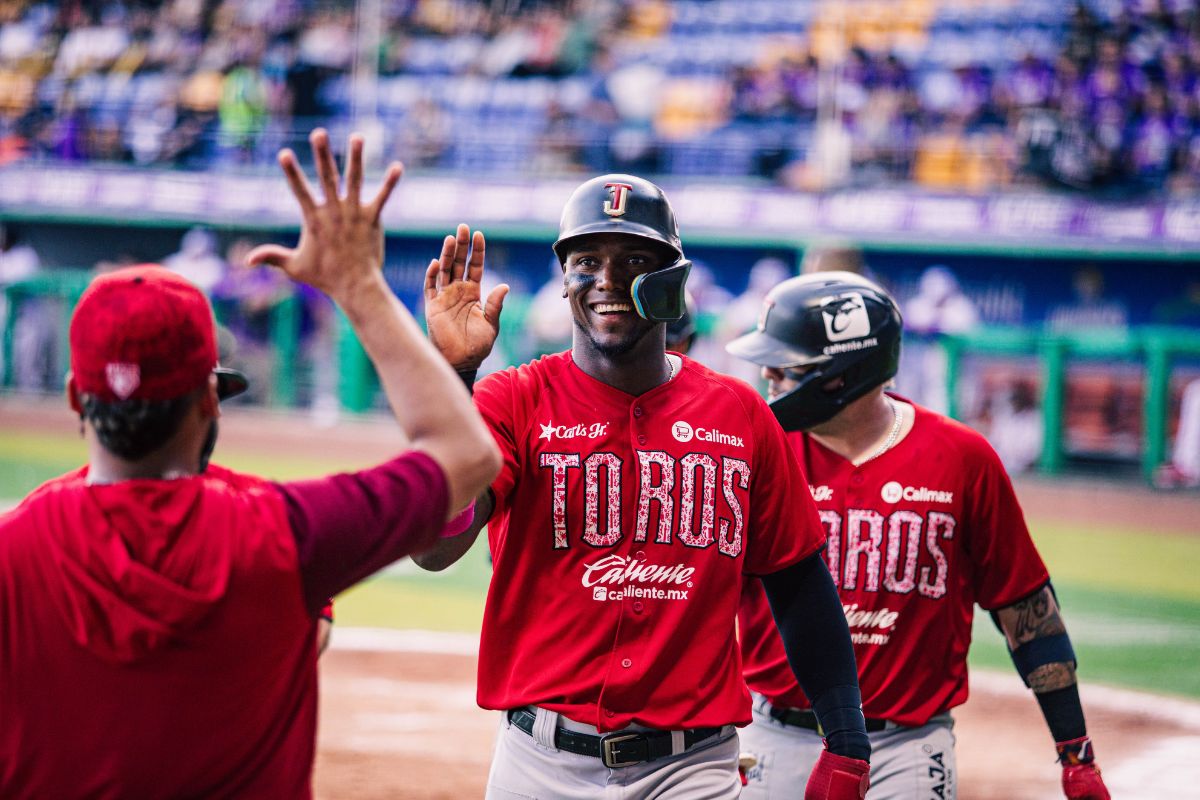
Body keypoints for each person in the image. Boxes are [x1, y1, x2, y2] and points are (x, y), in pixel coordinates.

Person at [0, 129, 500, 798]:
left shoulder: (14, 546)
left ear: (73, 399)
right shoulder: (284, 531)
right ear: (210, 399)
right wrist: (358, 286)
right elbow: (466, 455)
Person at [414, 175, 871, 799]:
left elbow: (797, 581)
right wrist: (456, 377)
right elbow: (435, 546)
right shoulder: (511, 401)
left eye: (633, 260)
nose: (605, 278)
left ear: (671, 281)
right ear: (565, 280)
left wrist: (847, 742)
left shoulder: (739, 414)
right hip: (538, 764)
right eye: (585, 261)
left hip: (692, 767)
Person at [726, 271, 1111, 800]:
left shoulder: (962, 458)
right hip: (779, 736)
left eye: (788, 362)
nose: (767, 372)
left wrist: (1076, 751)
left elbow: (1027, 611)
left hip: (907, 747)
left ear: (843, 373)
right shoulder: (756, 452)